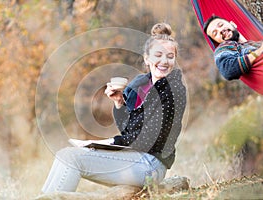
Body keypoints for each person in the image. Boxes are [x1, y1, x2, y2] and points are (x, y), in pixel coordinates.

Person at [41, 22, 187, 193]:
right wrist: (120, 104)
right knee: (64, 154)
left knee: (72, 158)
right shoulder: (142, 86)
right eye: (158, 55)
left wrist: (106, 143)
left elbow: (147, 139)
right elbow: (129, 131)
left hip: (151, 164)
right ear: (147, 58)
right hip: (135, 157)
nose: (164, 61)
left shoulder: (174, 89)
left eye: (170, 56)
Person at [203, 15, 263, 94]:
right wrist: (259, 52)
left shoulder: (254, 43)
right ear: (217, 41)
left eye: (221, 25)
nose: (220, 30)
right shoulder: (224, 48)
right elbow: (228, 69)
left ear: (233, 24)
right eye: (215, 33)